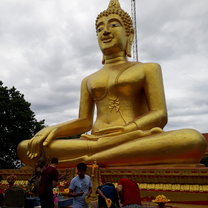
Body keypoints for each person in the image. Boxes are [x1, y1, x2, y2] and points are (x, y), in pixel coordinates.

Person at [17, 0, 207, 168]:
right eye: (99, 28)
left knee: (192, 139)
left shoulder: (148, 68)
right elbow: (84, 122)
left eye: (113, 25)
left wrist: (128, 130)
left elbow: (160, 114)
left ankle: (87, 161)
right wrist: (54, 129)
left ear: (129, 35)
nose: (105, 31)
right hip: (93, 140)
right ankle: (99, 156)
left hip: (132, 137)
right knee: (27, 147)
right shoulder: (88, 79)